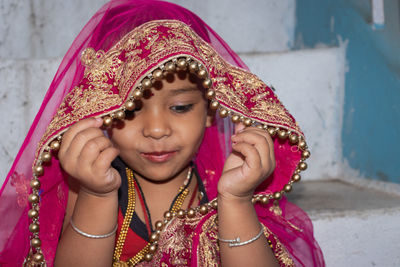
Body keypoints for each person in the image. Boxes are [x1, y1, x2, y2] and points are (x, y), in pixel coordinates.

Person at [0, 0, 325, 266]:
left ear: (212, 110)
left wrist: (236, 201)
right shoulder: (89, 182)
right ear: (98, 113)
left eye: (181, 107)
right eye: (129, 110)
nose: (156, 130)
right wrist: (97, 196)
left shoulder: (223, 182)